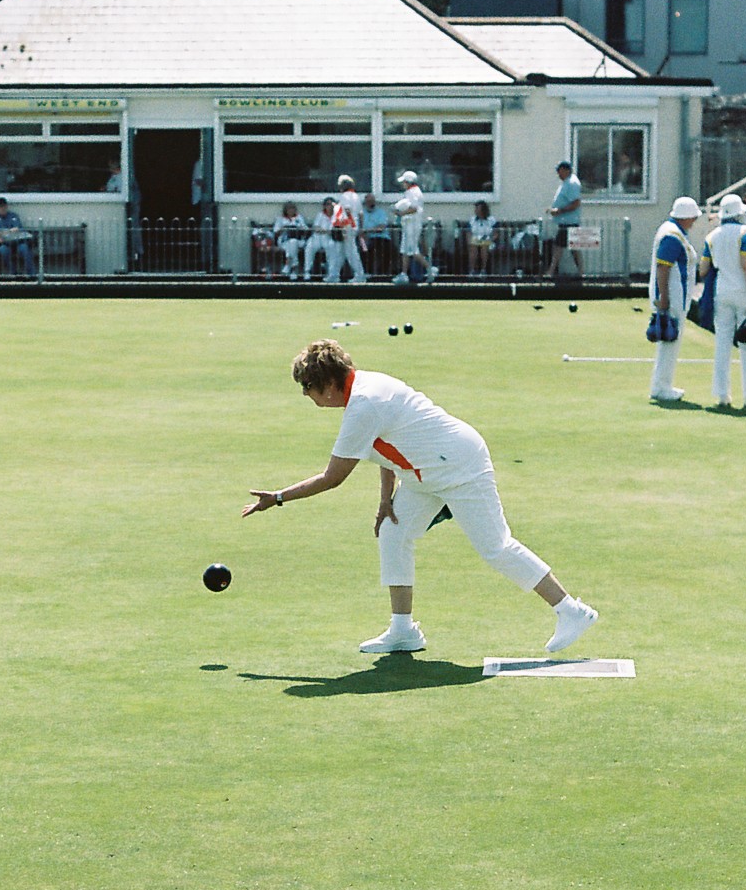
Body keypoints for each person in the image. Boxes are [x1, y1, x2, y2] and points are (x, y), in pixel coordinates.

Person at [242, 339, 600, 655]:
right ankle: (403, 631)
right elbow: (385, 449)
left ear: (329, 385)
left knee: (497, 547)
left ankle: (571, 610)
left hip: (461, 468)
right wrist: (386, 500)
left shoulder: (365, 404)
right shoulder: (364, 390)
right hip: (423, 474)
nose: (307, 395)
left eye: (308, 387)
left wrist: (277, 497)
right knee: (394, 531)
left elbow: (333, 478)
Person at [698, 193, 746, 406]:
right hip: (742, 291)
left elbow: (704, 269)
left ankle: (722, 395)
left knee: (722, 344)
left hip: (721, 291)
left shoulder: (712, 236)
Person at [649, 196, 702, 403]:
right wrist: (664, 297)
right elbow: (664, 267)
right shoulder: (672, 236)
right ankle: (661, 387)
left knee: (669, 342)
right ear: (686, 217)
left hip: (675, 295)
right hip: (672, 296)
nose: (695, 221)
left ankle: (662, 385)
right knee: (669, 341)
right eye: (693, 217)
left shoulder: (674, 232)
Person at [542, 161, 583, 279]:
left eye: (559, 171)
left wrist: (559, 211)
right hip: (566, 222)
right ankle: (581, 272)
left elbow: (576, 203)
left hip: (568, 222)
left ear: (566, 170)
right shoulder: (567, 182)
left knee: (558, 247)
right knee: (573, 248)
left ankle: (551, 271)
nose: (558, 174)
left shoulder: (572, 183)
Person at [392, 170, 432, 284]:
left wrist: (400, 213)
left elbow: (414, 208)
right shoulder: (410, 192)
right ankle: (404, 274)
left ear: (408, 182)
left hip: (412, 225)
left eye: (404, 181)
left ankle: (430, 269)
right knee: (405, 250)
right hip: (408, 224)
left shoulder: (414, 192)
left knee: (413, 250)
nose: (403, 184)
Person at [332, 175, 367, 283]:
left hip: (347, 226)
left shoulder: (344, 196)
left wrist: (346, 226)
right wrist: (360, 227)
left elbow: (347, 211)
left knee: (351, 252)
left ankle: (360, 275)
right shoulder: (356, 196)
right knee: (341, 252)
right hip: (353, 226)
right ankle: (334, 275)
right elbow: (361, 214)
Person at [0, 197, 36, 276]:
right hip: (3, 244)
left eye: (4, 206)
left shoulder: (13, 216)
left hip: (17, 242)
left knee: (25, 248)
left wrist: (5, 232)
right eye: (0, 207)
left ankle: (31, 275)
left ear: (7, 207)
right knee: (3, 250)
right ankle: (13, 273)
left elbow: (19, 229)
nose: (2, 209)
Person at [272, 201, 309, 280]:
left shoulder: (299, 218)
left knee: (293, 242)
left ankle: (288, 265)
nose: (291, 211)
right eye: (289, 209)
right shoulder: (280, 219)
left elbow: (306, 229)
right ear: (285, 210)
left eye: (292, 208)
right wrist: (284, 228)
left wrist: (298, 228)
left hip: (299, 240)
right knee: (292, 242)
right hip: (284, 241)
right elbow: (275, 232)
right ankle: (294, 270)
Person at [359, 193, 394, 278]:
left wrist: (368, 230)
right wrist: (364, 234)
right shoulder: (361, 213)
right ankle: (367, 272)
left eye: (372, 201)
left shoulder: (381, 212)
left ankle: (383, 273)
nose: (370, 202)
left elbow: (381, 228)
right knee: (363, 247)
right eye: (368, 201)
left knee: (386, 248)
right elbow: (360, 228)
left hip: (381, 237)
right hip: (365, 238)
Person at [305, 196, 339, 281]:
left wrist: (326, 231)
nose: (330, 206)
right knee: (310, 246)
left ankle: (331, 273)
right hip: (317, 237)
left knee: (332, 247)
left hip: (329, 238)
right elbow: (316, 227)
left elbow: (336, 230)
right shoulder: (320, 215)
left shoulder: (337, 216)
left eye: (332, 204)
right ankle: (307, 271)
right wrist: (324, 230)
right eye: (327, 204)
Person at [466, 200, 497, 276]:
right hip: (475, 240)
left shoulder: (491, 220)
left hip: (488, 240)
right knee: (473, 247)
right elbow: (468, 233)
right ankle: (472, 270)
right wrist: (469, 241)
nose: (476, 211)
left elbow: (496, 234)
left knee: (484, 247)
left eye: (478, 209)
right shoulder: (472, 220)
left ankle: (483, 270)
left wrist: (490, 239)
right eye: (475, 209)